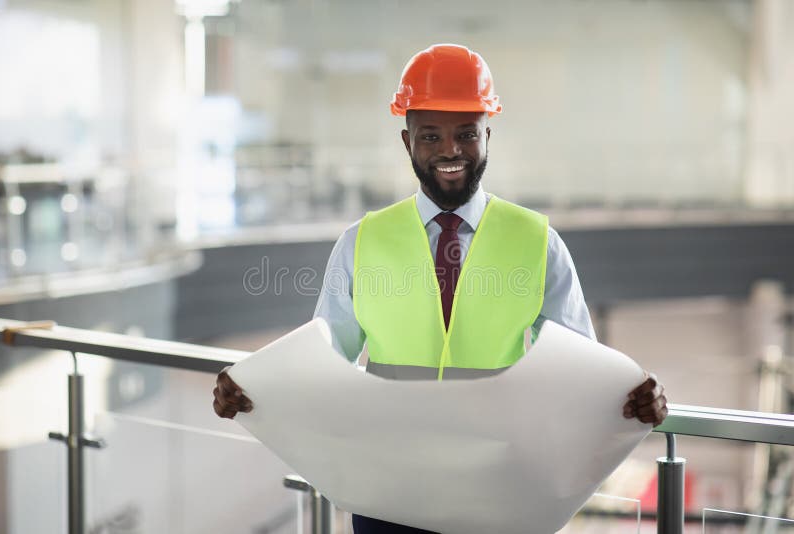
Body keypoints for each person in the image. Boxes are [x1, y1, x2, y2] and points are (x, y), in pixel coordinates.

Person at [213, 44, 668, 533]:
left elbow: (585, 373)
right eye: (430, 135)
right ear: (406, 141)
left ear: (487, 136)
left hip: (502, 497)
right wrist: (252, 388)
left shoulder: (538, 244)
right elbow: (322, 358)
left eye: (465, 134)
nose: (449, 150)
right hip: (388, 495)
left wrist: (638, 399)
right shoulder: (360, 243)